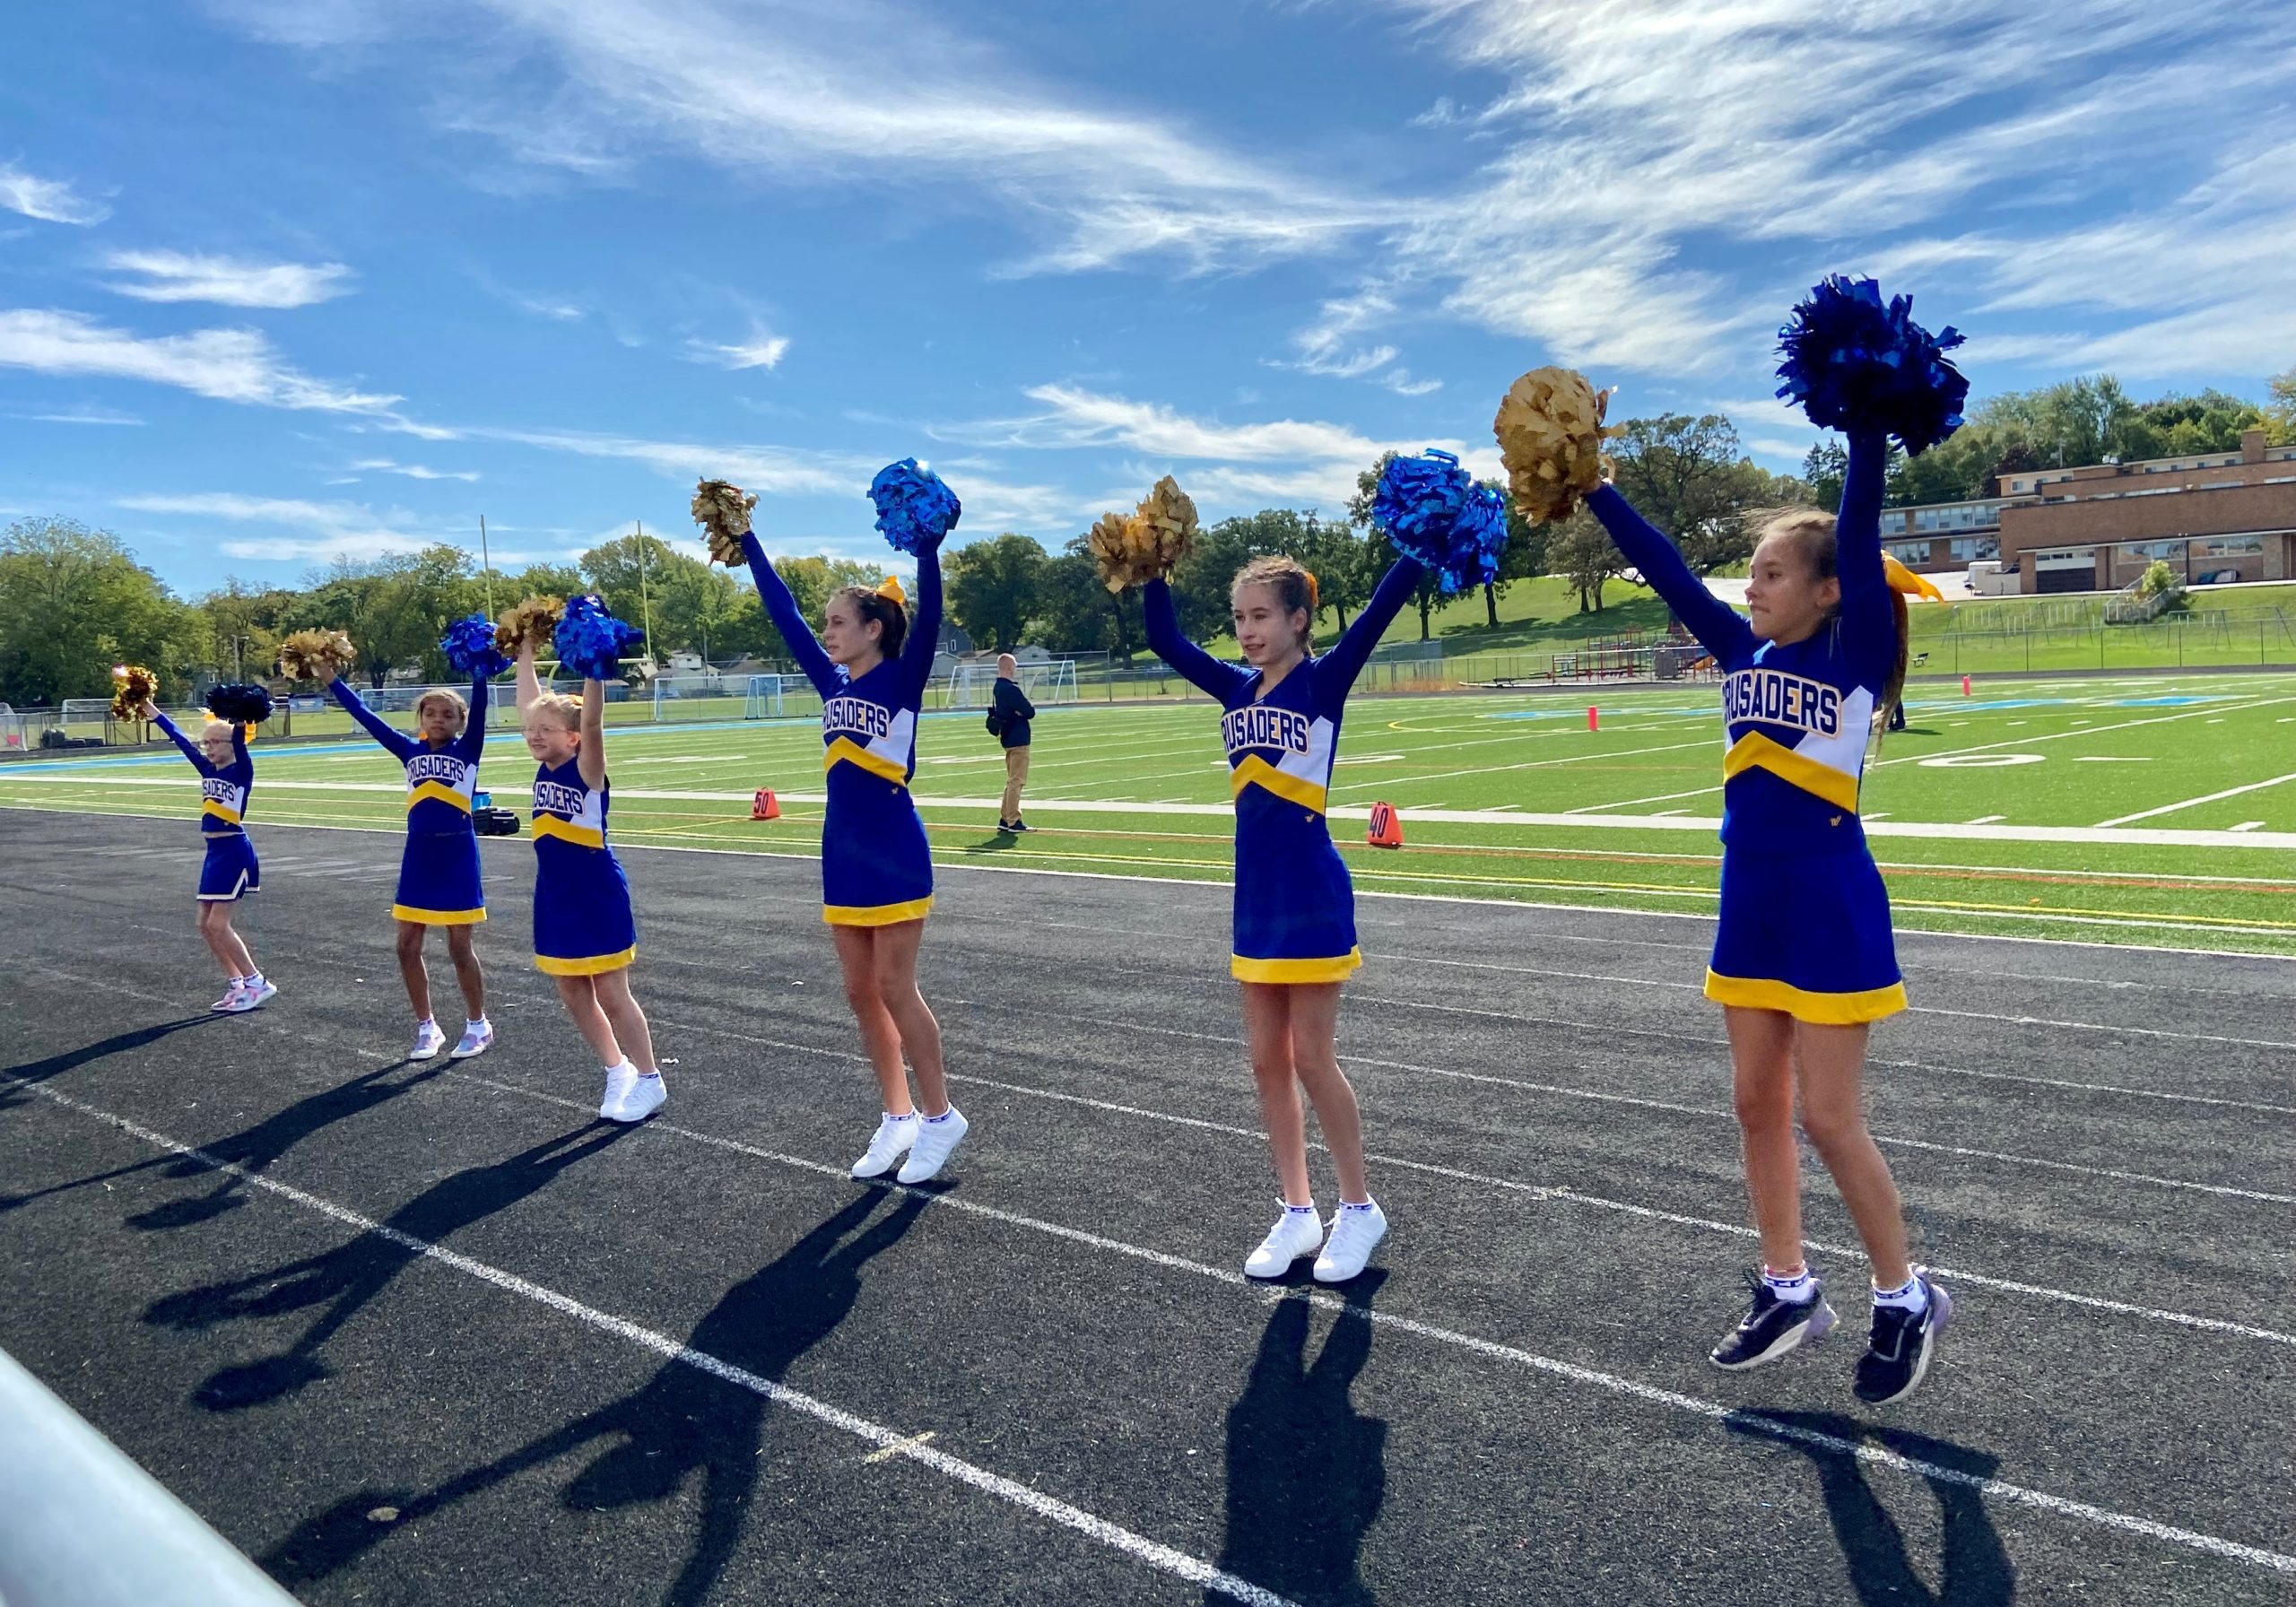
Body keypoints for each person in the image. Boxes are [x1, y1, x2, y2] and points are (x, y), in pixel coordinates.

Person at [1586, 427, 1952, 1405]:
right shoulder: (1736, 649)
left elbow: (1861, 515)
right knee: (1754, 1104)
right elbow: (1666, 572)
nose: (1751, 588)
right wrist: (1597, 489)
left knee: (1828, 1118)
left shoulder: (1856, 647)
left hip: (1830, 907)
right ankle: (1787, 1287)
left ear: (1829, 589)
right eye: (1749, 573)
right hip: (1747, 902)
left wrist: (1866, 427)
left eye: (1771, 573)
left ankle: (1904, 1294)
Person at [1142, 552, 1423, 1283]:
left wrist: (1415, 550)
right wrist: (1151, 570)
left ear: (1299, 620)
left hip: (1311, 892)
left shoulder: (1322, 683)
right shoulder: (1235, 691)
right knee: (1266, 1061)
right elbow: (1167, 643)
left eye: (1261, 615)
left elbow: (1376, 617)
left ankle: (1358, 1209)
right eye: (1239, 617)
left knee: (1310, 1058)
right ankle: (1298, 1211)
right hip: (1255, 899)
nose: (1247, 630)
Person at [735, 533, 969, 1186]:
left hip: (894, 847)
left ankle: (940, 1115)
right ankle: (898, 1117)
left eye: (838, 622)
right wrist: (749, 544)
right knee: (860, 991)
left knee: (896, 987)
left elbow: (928, 613)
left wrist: (927, 550)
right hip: (841, 851)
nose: (827, 632)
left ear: (873, 628)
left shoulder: (904, 673)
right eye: (827, 623)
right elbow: (783, 616)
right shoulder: (830, 680)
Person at [513, 638, 664, 1124]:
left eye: (546, 730)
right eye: (530, 730)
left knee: (611, 991)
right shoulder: (543, 768)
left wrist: (595, 666)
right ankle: (615, 1069)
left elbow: (594, 721)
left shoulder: (587, 771)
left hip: (596, 891)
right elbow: (529, 703)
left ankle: (650, 1079)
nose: (534, 736)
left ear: (573, 737)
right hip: (555, 895)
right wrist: (526, 652)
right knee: (572, 991)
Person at [328, 672, 495, 1061]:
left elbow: (483, 708)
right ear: (421, 718)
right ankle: (427, 1027)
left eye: (448, 714)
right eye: (431, 713)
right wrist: (330, 678)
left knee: (459, 945)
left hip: (456, 855)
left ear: (461, 722)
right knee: (405, 945)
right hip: (418, 855)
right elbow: (365, 715)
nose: (438, 719)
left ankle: (477, 1024)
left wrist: (480, 673)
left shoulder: (469, 750)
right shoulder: (409, 751)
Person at [144, 698, 275, 1013]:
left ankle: (257, 982)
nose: (209, 748)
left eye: (216, 742)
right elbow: (178, 738)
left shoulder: (242, 770)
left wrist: (241, 716)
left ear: (232, 745)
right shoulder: (205, 768)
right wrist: (151, 710)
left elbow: (241, 740)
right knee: (204, 924)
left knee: (218, 924)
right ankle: (237, 983)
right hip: (214, 853)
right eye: (206, 743)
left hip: (234, 850)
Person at [989, 653, 1035, 833]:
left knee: (1012, 780)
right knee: (1017, 780)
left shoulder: (998, 687)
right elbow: (1029, 711)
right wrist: (1020, 711)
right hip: (1018, 738)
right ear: (1010, 667)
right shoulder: (1010, 689)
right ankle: (1013, 820)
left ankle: (1005, 817)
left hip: (1008, 737)